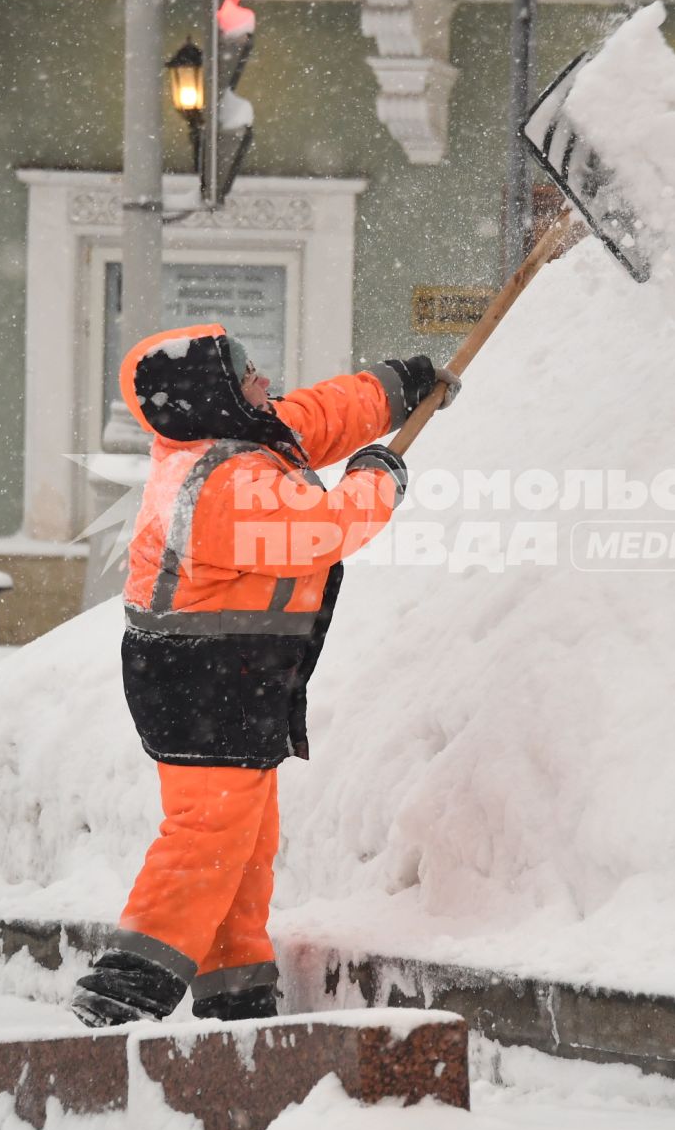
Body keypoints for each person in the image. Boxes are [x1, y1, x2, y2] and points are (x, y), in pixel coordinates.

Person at [71, 323, 458, 1028]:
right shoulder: (218, 484)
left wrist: (398, 387)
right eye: (244, 369)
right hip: (198, 682)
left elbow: (317, 416)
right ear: (209, 394)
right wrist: (376, 477)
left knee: (244, 843)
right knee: (207, 834)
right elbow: (321, 530)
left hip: (228, 676)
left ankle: (237, 994)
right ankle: (124, 992)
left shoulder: (241, 444)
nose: (261, 378)